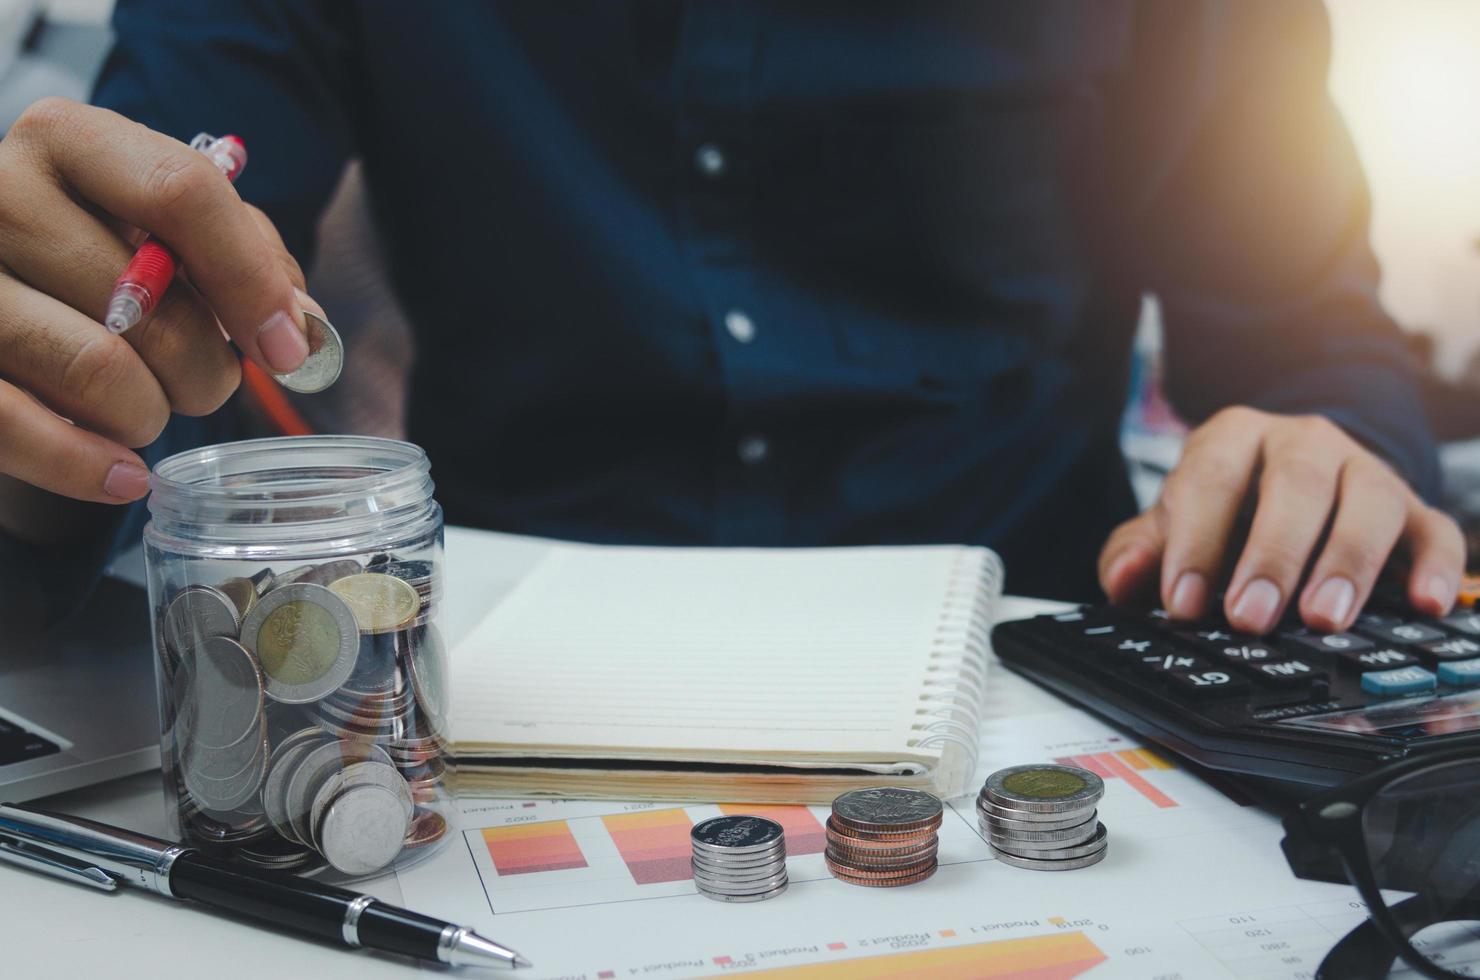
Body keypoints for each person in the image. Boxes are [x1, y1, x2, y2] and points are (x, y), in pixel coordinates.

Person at [0, 1, 1464, 633]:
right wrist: (54, 356)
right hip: (497, 705)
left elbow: (1311, 338)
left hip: (1031, 674)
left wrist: (1329, 456)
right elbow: (141, 241)